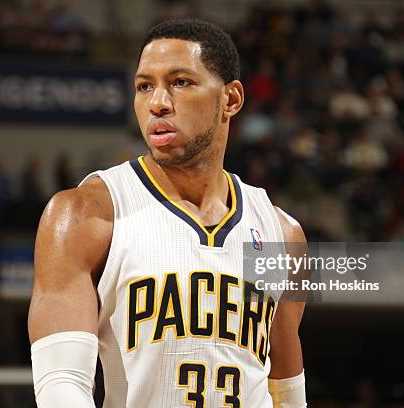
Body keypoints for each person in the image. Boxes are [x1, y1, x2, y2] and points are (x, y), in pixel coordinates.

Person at [28, 18, 307, 408]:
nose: (157, 103)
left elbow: (288, 393)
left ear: (231, 99)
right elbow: (62, 384)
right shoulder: (83, 213)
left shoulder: (282, 232)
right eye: (144, 86)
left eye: (180, 82)